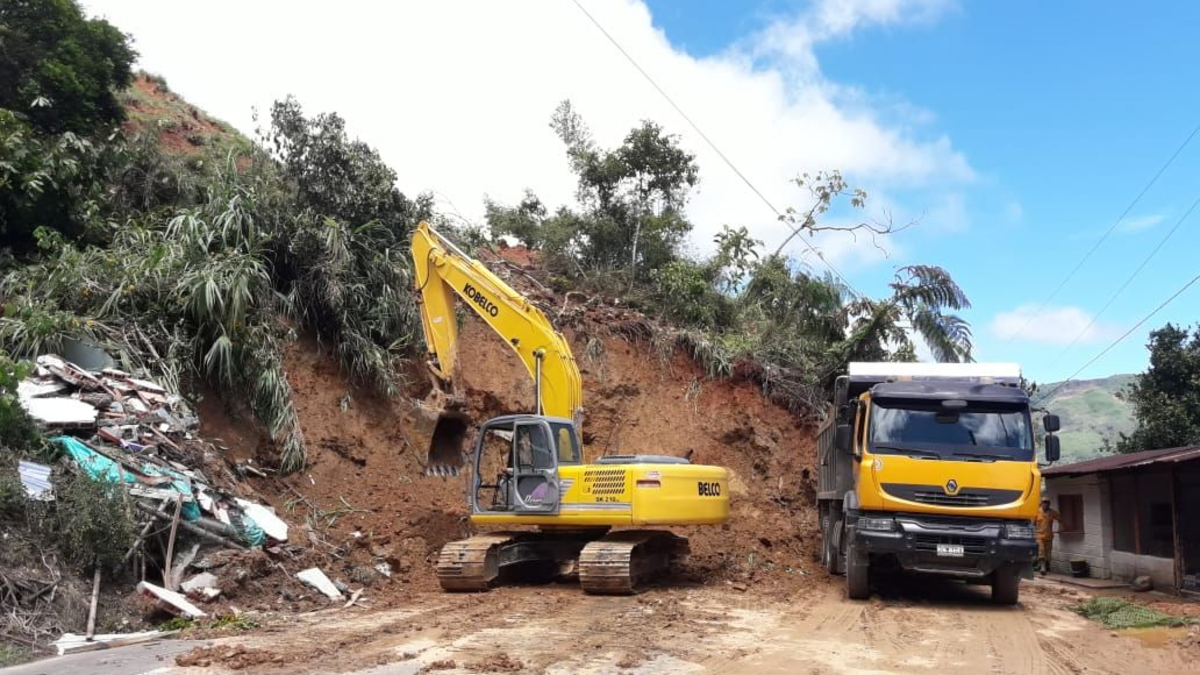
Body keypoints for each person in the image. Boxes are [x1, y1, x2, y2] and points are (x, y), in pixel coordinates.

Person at [1034, 498, 1060, 575]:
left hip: (1049, 535)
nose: (1045, 504)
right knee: (1041, 550)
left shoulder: (1052, 512)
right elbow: (1033, 524)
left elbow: (1060, 519)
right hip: (1039, 535)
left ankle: (1046, 566)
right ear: (1041, 503)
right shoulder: (1036, 512)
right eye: (1044, 502)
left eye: (1047, 503)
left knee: (1048, 553)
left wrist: (1061, 528)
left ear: (1049, 504)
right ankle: (1043, 567)